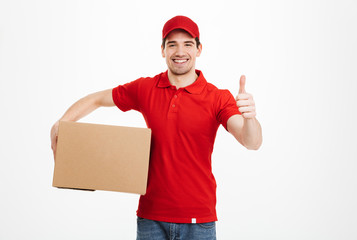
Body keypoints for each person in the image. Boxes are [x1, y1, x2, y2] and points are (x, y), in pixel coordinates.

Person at [50, 15, 262, 240]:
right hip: (151, 218)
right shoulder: (147, 88)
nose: (180, 52)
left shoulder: (218, 97)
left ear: (199, 49)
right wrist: (62, 123)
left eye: (188, 44)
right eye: (172, 45)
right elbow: (98, 99)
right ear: (163, 50)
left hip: (198, 221)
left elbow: (252, 142)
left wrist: (250, 118)